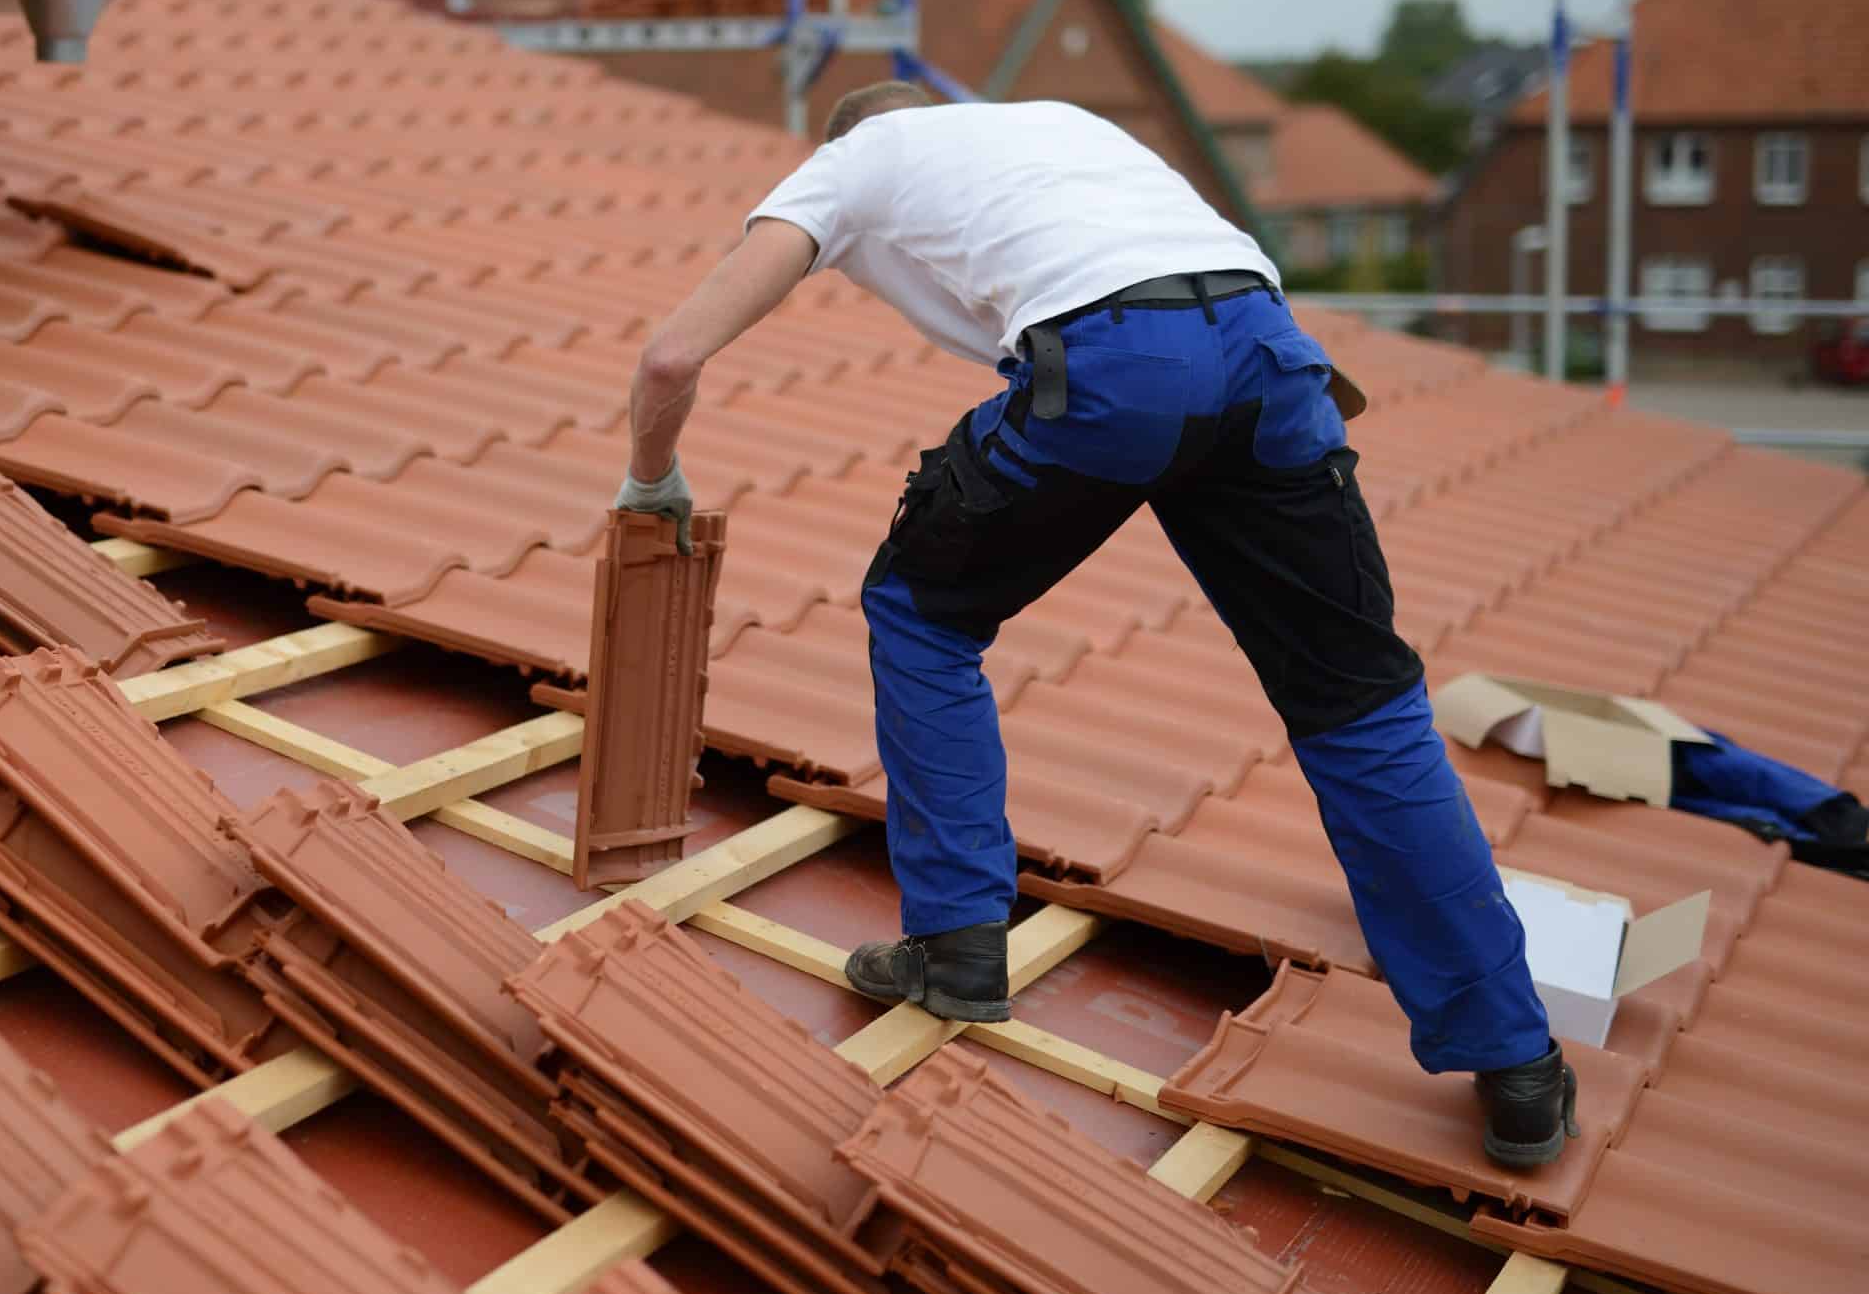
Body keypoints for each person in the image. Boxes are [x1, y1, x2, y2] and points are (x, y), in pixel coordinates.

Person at [613, 82, 1578, 1167]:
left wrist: (650, 480)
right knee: (1362, 705)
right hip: (1269, 350)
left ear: (853, 135)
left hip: (1118, 365)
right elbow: (1202, 287)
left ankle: (955, 943)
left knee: (920, 611)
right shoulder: (1062, 128)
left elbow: (671, 357)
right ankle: (1518, 1064)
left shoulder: (855, 158)